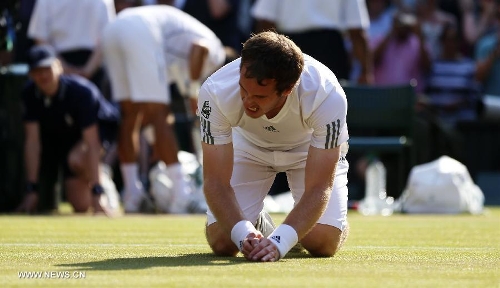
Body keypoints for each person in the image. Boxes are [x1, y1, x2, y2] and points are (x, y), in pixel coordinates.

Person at [198, 31, 349, 262]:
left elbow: (320, 187)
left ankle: (334, 222)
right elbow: (215, 182)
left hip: (308, 150)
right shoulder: (215, 91)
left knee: (322, 242)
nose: (247, 101)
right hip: (248, 145)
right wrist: (244, 233)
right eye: (243, 89)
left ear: (288, 89)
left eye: (259, 96)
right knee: (223, 242)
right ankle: (258, 222)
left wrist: (281, 242)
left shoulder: (326, 95)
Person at [101, 5, 226, 213]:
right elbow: (200, 48)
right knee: (160, 114)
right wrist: (194, 94)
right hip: (141, 30)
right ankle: (181, 195)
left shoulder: (173, 59)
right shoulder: (218, 55)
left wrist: (155, 139)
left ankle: (132, 194)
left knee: (131, 114)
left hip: (113, 29)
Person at [16, 44, 120, 215]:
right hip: (67, 140)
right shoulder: (29, 94)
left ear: (58, 66)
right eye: (37, 70)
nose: (42, 75)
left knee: (77, 158)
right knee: (80, 206)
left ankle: (103, 185)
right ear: (30, 74)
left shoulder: (83, 93)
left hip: (100, 134)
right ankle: (95, 182)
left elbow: (92, 143)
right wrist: (31, 190)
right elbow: (32, 142)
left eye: (46, 68)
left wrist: (96, 192)